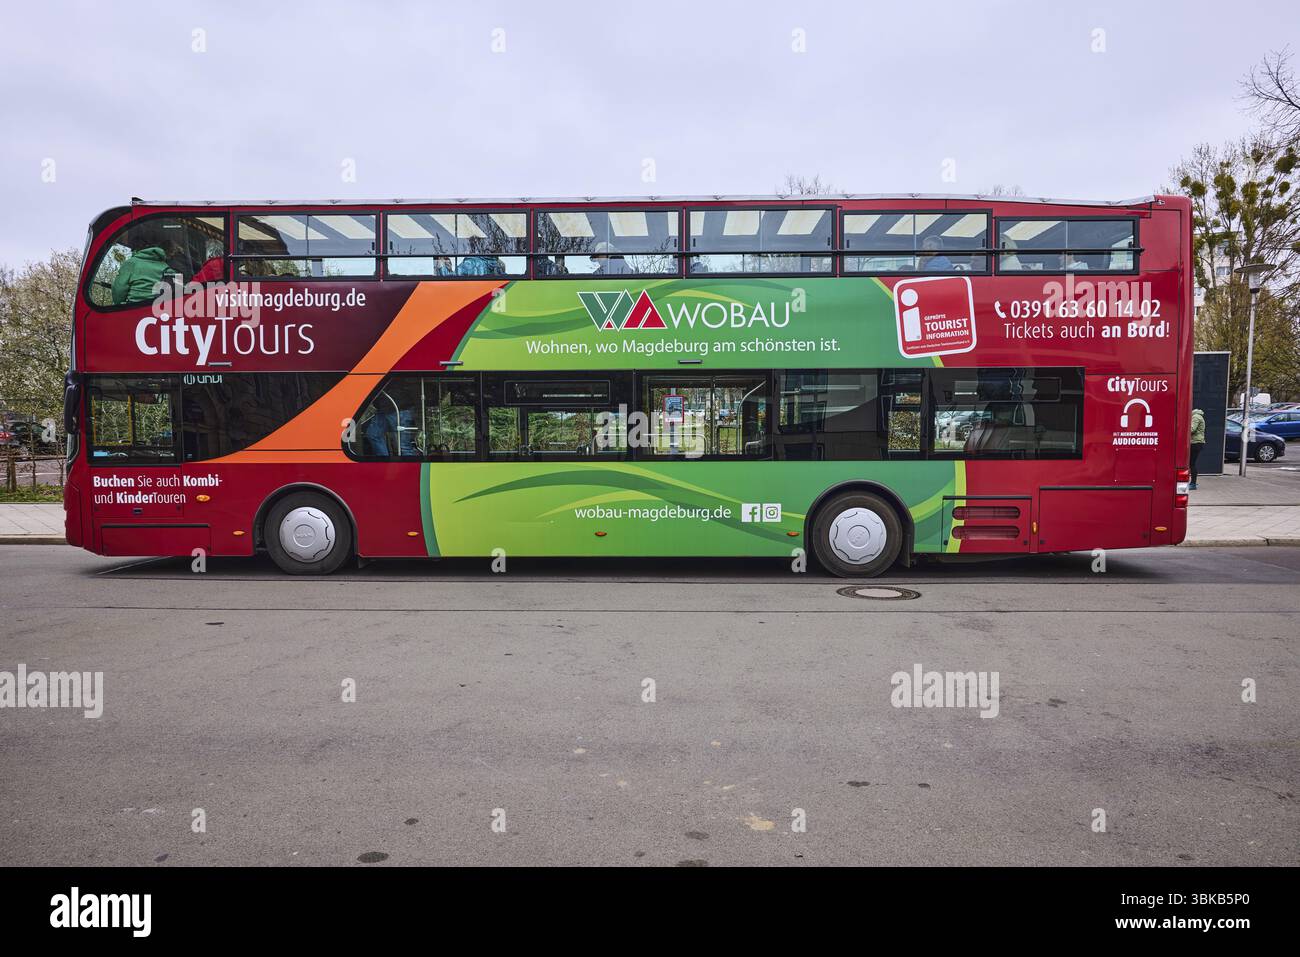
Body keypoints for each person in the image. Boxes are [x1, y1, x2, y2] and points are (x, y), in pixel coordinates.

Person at [111, 235, 178, 304]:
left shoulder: (131, 263)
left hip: (133, 309)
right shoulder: (169, 270)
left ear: (136, 250)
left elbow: (119, 290)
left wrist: (119, 306)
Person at [1189, 407, 1205, 490]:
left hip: (1195, 443)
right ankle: (1192, 482)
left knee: (1191, 463)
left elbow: (1192, 429)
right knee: (1191, 463)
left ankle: (1193, 483)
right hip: (1197, 442)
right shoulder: (1198, 416)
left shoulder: (1195, 417)